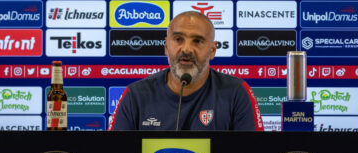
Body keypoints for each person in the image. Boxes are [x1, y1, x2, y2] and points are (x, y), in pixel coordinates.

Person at [108, 11, 263, 131]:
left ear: (212, 50)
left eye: (197, 41)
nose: (187, 49)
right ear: (166, 47)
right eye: (178, 39)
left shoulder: (237, 92)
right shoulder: (135, 95)